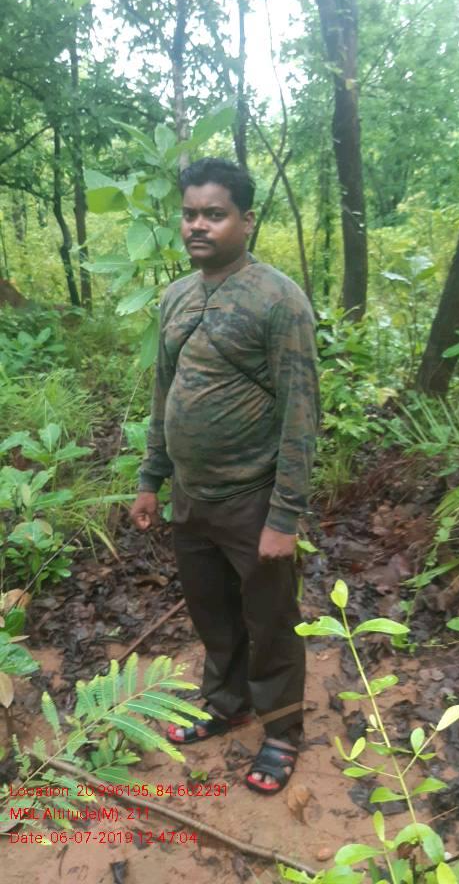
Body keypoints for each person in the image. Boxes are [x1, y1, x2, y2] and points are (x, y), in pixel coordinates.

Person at [130, 157, 320, 795]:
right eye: (190, 214)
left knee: (270, 620)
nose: (198, 226)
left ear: (247, 220)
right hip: (191, 495)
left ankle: (282, 730)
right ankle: (225, 702)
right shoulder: (177, 296)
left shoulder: (278, 300)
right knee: (212, 612)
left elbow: (300, 414)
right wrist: (151, 478)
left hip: (252, 497)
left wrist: (284, 517)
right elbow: (164, 393)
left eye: (215, 214)